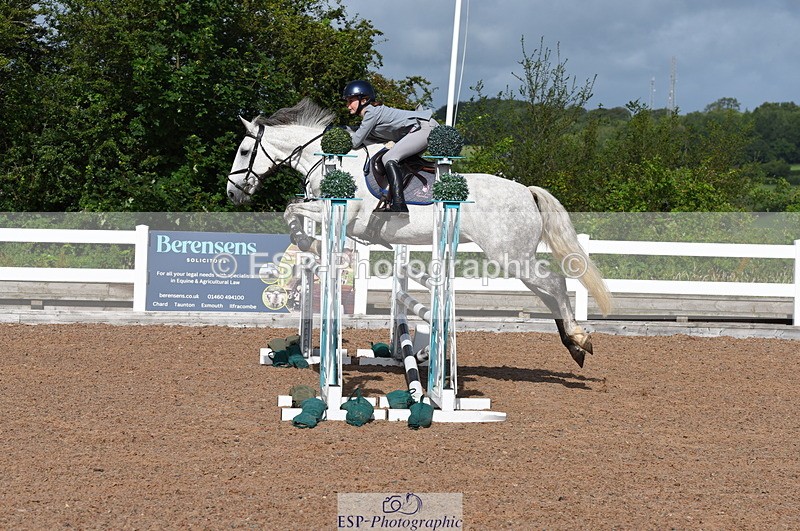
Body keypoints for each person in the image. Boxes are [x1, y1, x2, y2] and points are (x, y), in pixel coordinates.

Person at [342, 80, 438, 213]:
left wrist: (340, 136)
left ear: (363, 100)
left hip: (424, 128)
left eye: (350, 100)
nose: (347, 105)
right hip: (420, 129)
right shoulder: (372, 114)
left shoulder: (371, 113)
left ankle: (399, 204)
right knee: (396, 158)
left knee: (389, 157)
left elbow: (355, 142)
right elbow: (366, 139)